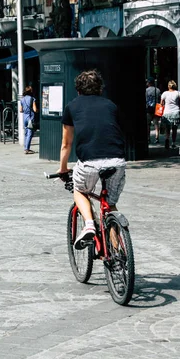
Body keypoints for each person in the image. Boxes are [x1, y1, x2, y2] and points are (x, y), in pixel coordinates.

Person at [58, 70, 126, 249]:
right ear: (100, 89)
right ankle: (118, 255)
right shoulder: (110, 105)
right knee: (110, 205)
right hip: (117, 160)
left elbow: (66, 144)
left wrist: (63, 169)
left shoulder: (72, 107)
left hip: (89, 161)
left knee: (80, 190)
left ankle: (89, 225)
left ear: (78, 89)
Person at [160, 80, 180, 149]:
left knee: (167, 129)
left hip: (167, 113)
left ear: (168, 86)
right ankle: (173, 143)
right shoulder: (178, 93)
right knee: (174, 129)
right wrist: (179, 103)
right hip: (175, 112)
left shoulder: (164, 93)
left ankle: (167, 139)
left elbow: (161, 103)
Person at [20, 86, 38, 154]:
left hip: (24, 117)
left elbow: (20, 110)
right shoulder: (32, 99)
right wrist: (37, 111)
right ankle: (27, 149)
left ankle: (25, 147)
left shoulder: (22, 99)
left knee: (26, 133)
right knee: (30, 133)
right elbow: (35, 109)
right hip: (30, 118)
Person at [145, 77, 161, 144]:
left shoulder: (146, 90)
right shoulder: (157, 90)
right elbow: (160, 98)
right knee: (156, 124)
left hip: (148, 108)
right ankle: (157, 137)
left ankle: (148, 138)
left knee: (148, 124)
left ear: (149, 83)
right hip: (156, 108)